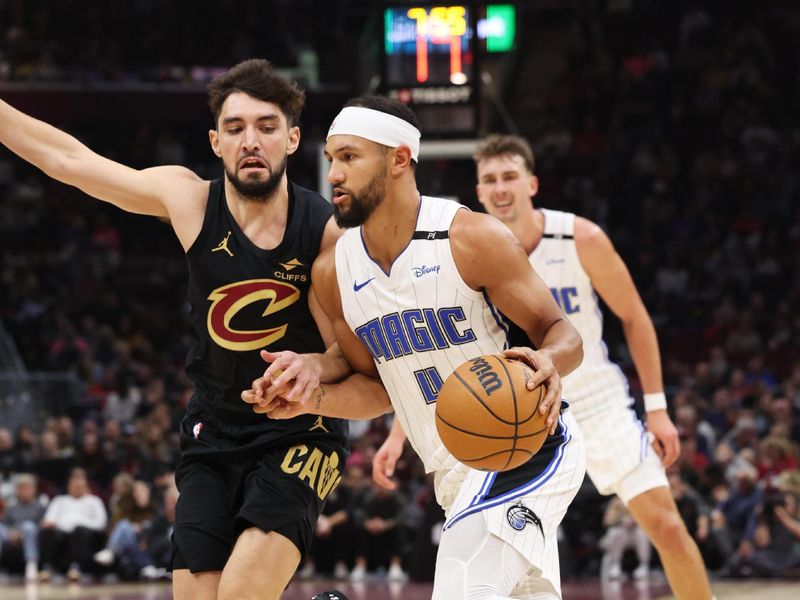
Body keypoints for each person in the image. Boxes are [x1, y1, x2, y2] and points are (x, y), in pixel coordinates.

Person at [0, 58, 390, 599]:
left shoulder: (326, 234)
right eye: (235, 129)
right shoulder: (188, 201)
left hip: (301, 431)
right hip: (213, 428)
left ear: (294, 139)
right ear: (215, 142)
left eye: (266, 127)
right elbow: (68, 159)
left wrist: (310, 370)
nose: (250, 140)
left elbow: (349, 360)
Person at [244, 97, 587, 599]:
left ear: (399, 159)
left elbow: (562, 333)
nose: (334, 172)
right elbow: (377, 389)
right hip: (451, 474)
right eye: (332, 158)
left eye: (350, 157)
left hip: (528, 447)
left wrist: (549, 360)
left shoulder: (470, 237)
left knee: (462, 585)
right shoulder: (333, 272)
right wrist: (310, 396)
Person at [372, 133, 714, 598]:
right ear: (477, 191)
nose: (500, 188)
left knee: (667, 527)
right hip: (518, 410)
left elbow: (634, 316)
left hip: (594, 399)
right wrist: (398, 433)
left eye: (509, 176)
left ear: (532, 183)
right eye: (489, 179)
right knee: (519, 560)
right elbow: (432, 352)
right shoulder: (461, 251)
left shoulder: (580, 238)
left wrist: (656, 407)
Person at [38, 467, 107, 582]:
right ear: (68, 485)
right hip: (62, 534)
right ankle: (47, 567)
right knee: (48, 532)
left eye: (80, 482)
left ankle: (76, 567)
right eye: (74, 482)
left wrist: (77, 524)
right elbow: (49, 520)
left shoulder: (94, 501)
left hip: (85, 536)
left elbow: (101, 524)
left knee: (79, 531)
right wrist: (56, 524)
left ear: (86, 484)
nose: (77, 485)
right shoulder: (59, 500)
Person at [0, 473, 46, 582]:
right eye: (20, 488)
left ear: (33, 489)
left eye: (26, 488)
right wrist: (12, 532)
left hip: (31, 537)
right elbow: (5, 524)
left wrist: (21, 533)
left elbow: (43, 526)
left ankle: (31, 565)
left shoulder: (40, 507)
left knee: (28, 526)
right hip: (11, 536)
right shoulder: (12, 507)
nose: (23, 491)